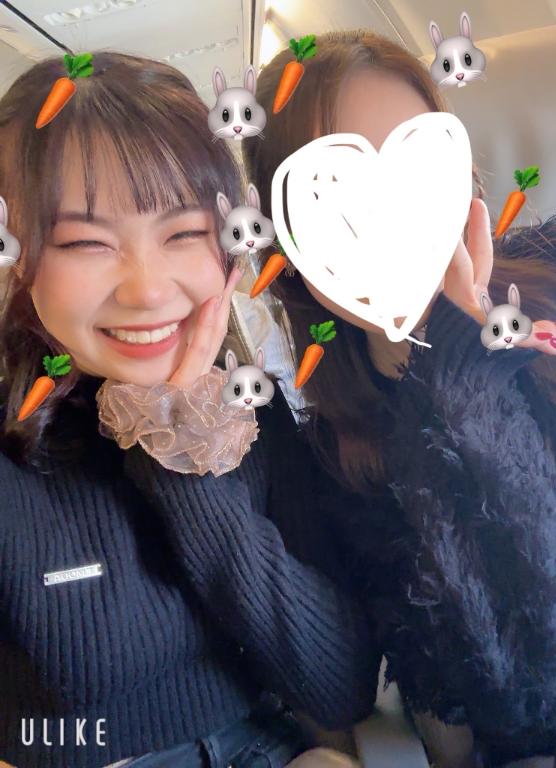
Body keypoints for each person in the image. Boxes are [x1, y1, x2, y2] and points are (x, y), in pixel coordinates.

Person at [0, 51, 382, 768]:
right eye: (84, 242)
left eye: (182, 233)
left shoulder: (248, 415)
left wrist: (180, 451)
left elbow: (341, 688)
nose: (147, 290)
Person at [243, 30, 556, 768]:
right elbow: (516, 693)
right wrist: (454, 365)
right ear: (286, 250)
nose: (393, 225)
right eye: (337, 200)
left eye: (418, 173)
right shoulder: (332, 460)